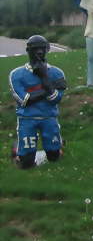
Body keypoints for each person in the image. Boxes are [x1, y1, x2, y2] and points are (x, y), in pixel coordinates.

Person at [9, 35, 67, 169]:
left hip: (49, 117)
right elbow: (24, 101)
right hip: (27, 118)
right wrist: (49, 86)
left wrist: (44, 77)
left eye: (42, 48)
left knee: (54, 157)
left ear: (47, 49)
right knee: (27, 163)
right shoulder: (17, 74)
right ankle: (17, 148)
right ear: (28, 51)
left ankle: (57, 144)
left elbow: (55, 99)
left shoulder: (57, 73)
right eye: (35, 49)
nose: (39, 52)